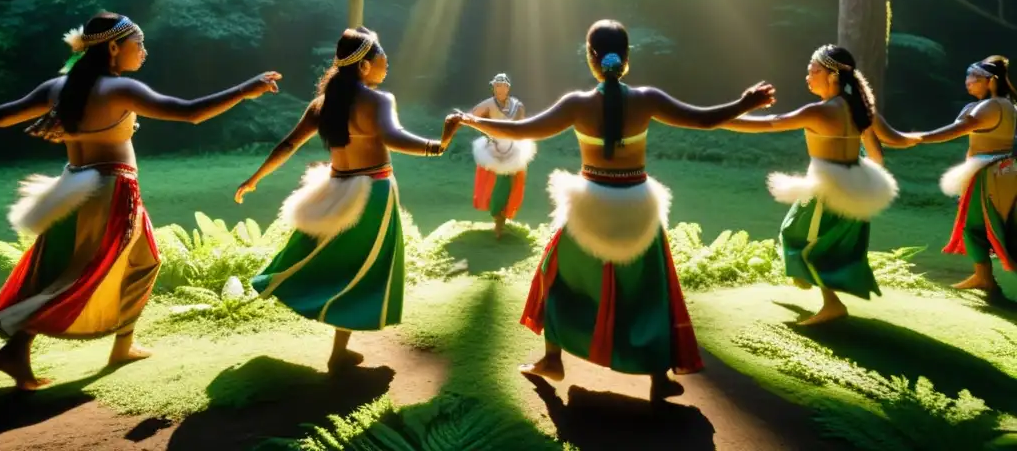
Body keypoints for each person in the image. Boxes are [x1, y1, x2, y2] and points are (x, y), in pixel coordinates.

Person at [449, 20, 775, 402]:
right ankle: (658, 378)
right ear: (627, 56)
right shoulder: (648, 99)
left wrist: (470, 120)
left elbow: (523, 131)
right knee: (648, 292)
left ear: (591, 57)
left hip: (588, 207)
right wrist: (745, 102)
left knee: (556, 277)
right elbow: (702, 119)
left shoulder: (577, 104)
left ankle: (552, 358)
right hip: (638, 205)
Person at [0, 12, 281, 390]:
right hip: (111, 192)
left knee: (98, 265)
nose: (144, 51)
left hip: (70, 188)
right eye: (138, 44)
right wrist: (245, 89)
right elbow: (190, 113)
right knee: (92, 273)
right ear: (113, 47)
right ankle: (26, 341)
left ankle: (114, 345)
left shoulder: (58, 87)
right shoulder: (120, 90)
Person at [235, 27, 461, 372]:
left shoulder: (322, 104)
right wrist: (439, 145)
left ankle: (338, 348)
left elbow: (287, 145)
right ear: (365, 66)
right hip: (372, 196)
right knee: (365, 269)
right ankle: (339, 350)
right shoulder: (378, 100)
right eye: (382, 57)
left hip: (335, 192)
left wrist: (255, 179)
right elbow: (393, 137)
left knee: (329, 261)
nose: (388, 64)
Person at [715, 45, 898, 325]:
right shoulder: (858, 107)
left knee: (802, 239)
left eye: (813, 70)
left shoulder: (822, 111)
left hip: (828, 190)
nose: (807, 76)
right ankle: (808, 281)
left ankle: (831, 303)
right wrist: (863, 181)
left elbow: (768, 124)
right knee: (809, 237)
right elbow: (876, 154)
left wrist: (717, 120)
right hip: (853, 186)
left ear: (833, 75)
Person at [906, 56, 1016, 292]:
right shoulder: (1002, 105)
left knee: (975, 226)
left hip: (991, 172)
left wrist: (917, 138)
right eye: (968, 76)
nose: (968, 81)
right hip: (996, 171)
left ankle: (984, 277)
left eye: (974, 77)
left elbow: (958, 129)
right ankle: (983, 276)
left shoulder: (994, 105)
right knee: (980, 226)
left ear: (990, 81)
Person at [469, 73, 536, 238]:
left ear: (508, 87)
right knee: (492, 184)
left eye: (503, 86)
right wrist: (487, 132)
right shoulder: (488, 104)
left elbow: (520, 125)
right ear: (493, 88)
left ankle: (501, 221)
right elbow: (471, 118)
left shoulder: (517, 105)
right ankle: (497, 217)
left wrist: (513, 135)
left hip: (513, 148)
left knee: (509, 185)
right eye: (497, 86)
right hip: (493, 148)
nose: (500, 89)